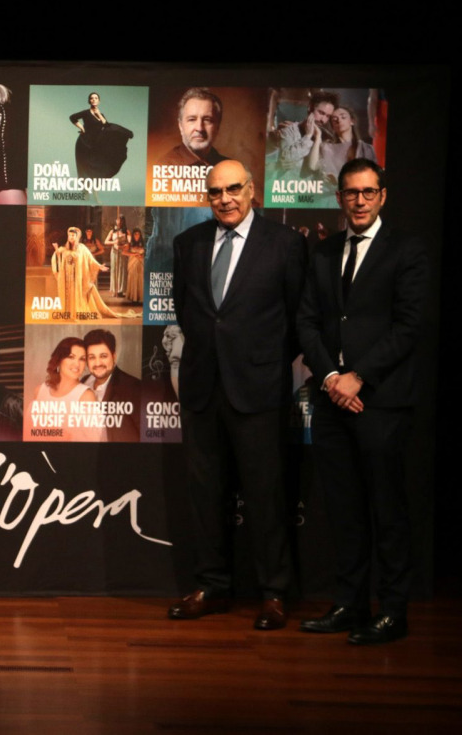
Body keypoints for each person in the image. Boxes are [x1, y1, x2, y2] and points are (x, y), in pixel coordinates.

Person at [296, 159, 429, 645]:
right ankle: (350, 604)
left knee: (387, 510)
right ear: (339, 198)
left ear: (382, 196)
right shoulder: (325, 252)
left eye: (368, 192)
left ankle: (393, 611)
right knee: (344, 510)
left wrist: (359, 378)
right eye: (351, 192)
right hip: (333, 401)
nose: (359, 201)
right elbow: (306, 322)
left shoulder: (407, 250)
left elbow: (409, 326)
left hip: (382, 402)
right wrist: (332, 377)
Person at [169, 159, 306, 630]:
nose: (224, 199)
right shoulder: (188, 243)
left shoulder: (285, 243)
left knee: (266, 494)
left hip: (258, 389)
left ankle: (273, 593)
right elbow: (189, 313)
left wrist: (261, 362)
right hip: (202, 388)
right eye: (215, 192)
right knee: (205, 493)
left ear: (251, 190)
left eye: (233, 189)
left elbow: (297, 319)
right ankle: (211, 586)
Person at [33, 337, 101, 441]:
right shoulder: (40, 391)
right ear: (59, 360)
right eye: (71, 357)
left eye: (82, 359)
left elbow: (94, 442)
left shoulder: (86, 396)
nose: (77, 364)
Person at [51, 226, 124, 319]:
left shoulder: (82, 248)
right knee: (68, 294)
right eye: (69, 235)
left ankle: (76, 311)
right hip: (67, 277)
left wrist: (99, 266)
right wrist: (57, 251)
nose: (71, 237)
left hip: (77, 276)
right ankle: (68, 312)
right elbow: (58, 258)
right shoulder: (64, 249)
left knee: (77, 293)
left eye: (73, 235)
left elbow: (90, 259)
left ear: (77, 236)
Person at [83, 329, 141, 442]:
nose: (98, 363)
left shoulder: (134, 388)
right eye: (92, 357)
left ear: (113, 356)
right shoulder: (83, 382)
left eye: (103, 356)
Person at [268, 90, 338, 177]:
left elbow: (319, 168)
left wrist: (318, 137)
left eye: (328, 116)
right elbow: (285, 161)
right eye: (321, 113)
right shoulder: (289, 130)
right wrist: (308, 137)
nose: (323, 120)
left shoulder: (327, 138)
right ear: (310, 108)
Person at [68, 92, 135, 178]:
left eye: (96, 98)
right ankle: (85, 186)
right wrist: (82, 128)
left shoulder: (101, 114)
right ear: (89, 101)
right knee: (84, 167)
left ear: (99, 101)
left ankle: (96, 185)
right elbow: (72, 117)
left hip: (95, 143)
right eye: (92, 98)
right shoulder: (86, 112)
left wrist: (99, 114)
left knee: (98, 165)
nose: (94, 100)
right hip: (84, 142)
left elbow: (106, 125)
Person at [307, 105, 377, 186]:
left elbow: (372, 176)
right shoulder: (326, 147)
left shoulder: (366, 148)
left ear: (352, 121)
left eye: (343, 117)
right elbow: (312, 166)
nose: (339, 120)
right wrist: (318, 136)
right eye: (334, 119)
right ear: (333, 127)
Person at [159, 87, 229, 166]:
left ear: (217, 126)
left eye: (207, 120)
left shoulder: (230, 168)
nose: (199, 128)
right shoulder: (164, 167)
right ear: (180, 126)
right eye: (192, 119)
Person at [105, 216, 130, 296]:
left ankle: (120, 290)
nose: (119, 221)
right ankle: (114, 289)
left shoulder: (126, 231)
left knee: (122, 269)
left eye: (120, 220)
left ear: (123, 221)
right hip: (114, 252)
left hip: (122, 252)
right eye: (117, 219)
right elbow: (106, 242)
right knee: (114, 269)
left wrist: (123, 246)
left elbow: (129, 242)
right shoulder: (112, 231)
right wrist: (114, 242)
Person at [123, 228, 146, 304]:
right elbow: (124, 252)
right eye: (135, 234)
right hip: (132, 263)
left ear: (140, 235)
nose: (137, 236)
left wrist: (142, 256)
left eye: (138, 234)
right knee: (133, 278)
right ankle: (133, 297)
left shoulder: (143, 243)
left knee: (140, 278)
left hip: (141, 263)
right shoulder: (130, 244)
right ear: (133, 235)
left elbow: (147, 252)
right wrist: (134, 254)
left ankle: (140, 297)